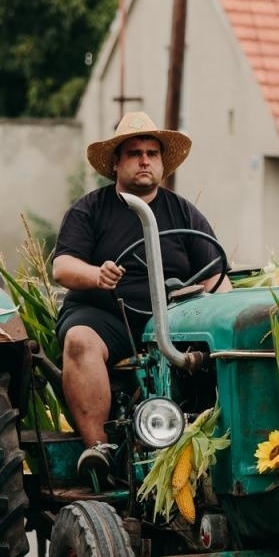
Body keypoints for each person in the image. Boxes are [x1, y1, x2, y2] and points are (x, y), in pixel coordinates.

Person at [52, 112, 225, 479]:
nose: (145, 160)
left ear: (162, 162)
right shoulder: (91, 209)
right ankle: (100, 450)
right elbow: (63, 266)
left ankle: (217, 442)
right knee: (80, 340)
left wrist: (225, 308)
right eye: (134, 153)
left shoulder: (184, 212)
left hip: (173, 316)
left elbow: (215, 277)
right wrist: (96, 274)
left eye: (152, 152)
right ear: (116, 162)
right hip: (106, 316)